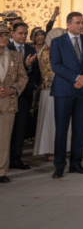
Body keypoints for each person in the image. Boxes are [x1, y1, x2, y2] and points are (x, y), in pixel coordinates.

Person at [50, 12, 83, 178]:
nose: (81, 26)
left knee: (80, 129)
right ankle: (59, 165)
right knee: (62, 129)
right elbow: (56, 65)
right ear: (69, 24)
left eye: (82, 23)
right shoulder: (57, 42)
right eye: (77, 23)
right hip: (64, 91)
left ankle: (76, 163)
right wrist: (77, 78)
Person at [7, 21, 40, 170]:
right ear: (12, 34)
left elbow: (36, 72)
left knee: (20, 128)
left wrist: (30, 67)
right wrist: (24, 66)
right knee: (7, 130)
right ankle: (4, 160)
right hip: (7, 95)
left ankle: (16, 159)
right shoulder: (6, 48)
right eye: (20, 33)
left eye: (25, 33)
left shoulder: (30, 48)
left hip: (24, 95)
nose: (23, 36)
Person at [34, 28, 71, 159]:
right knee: (51, 120)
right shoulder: (47, 52)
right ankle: (50, 150)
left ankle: (63, 148)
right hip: (50, 91)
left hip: (61, 89)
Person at [0, 35, 28, 184]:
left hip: (8, 102)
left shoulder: (15, 55)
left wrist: (12, 90)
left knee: (4, 140)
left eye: (6, 35)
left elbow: (23, 77)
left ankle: (1, 172)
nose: (4, 38)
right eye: (0, 35)